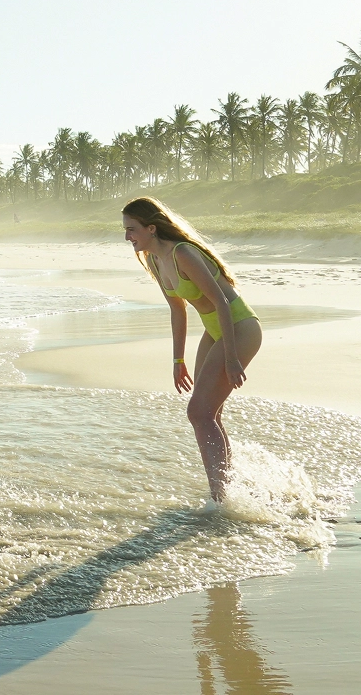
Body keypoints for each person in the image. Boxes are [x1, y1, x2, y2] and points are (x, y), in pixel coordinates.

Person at [121, 197, 262, 502]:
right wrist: (177, 360)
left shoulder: (182, 253)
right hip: (216, 331)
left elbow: (222, 303)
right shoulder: (156, 261)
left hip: (239, 327)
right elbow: (178, 310)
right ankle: (229, 490)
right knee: (209, 414)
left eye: (131, 229)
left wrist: (231, 358)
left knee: (198, 412)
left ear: (151, 228)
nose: (127, 237)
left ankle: (220, 497)